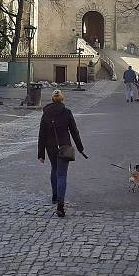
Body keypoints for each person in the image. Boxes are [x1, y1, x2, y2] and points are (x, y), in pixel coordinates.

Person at [38, 89, 85, 217]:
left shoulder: (46, 114)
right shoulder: (67, 112)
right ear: (62, 99)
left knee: (54, 169)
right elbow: (74, 131)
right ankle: (60, 205)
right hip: (64, 146)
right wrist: (80, 148)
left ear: (52, 99)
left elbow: (42, 134)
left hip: (50, 147)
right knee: (62, 175)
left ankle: (55, 196)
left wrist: (41, 154)